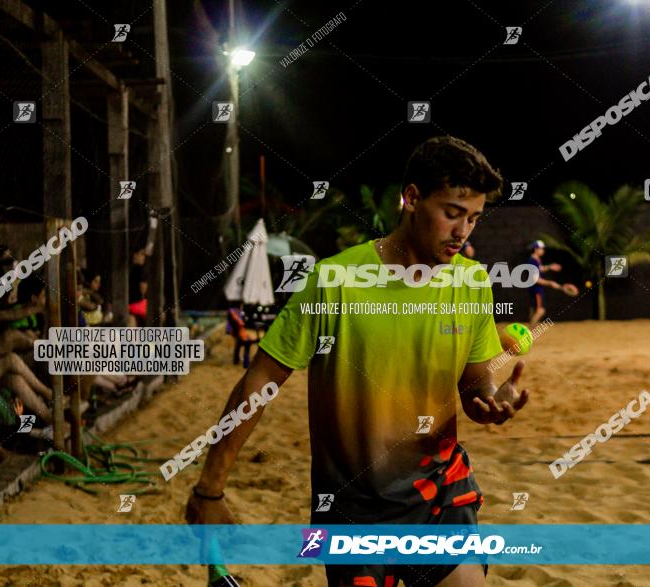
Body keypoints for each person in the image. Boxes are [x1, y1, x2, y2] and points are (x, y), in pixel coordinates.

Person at [186, 136, 530, 587]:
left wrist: (489, 399)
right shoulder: (335, 281)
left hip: (438, 494)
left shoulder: (471, 283)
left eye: (473, 218)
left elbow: (473, 384)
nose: (463, 231)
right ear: (411, 198)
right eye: (451, 212)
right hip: (351, 510)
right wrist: (210, 488)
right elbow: (261, 382)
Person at [526, 240, 576, 328]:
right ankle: (528, 333)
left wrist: (550, 267)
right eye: (541, 249)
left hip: (535, 289)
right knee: (540, 310)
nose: (543, 251)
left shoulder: (535, 259)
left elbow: (539, 269)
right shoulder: (532, 261)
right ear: (535, 249)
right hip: (536, 289)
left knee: (535, 310)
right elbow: (535, 279)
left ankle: (527, 332)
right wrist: (550, 283)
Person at [128, 248, 148, 326]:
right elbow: (143, 287)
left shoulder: (127, 268)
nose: (144, 257)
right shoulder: (140, 269)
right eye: (142, 254)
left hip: (129, 305)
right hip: (137, 304)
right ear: (135, 255)